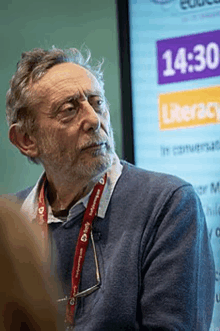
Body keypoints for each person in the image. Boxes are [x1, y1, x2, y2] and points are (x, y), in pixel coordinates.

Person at [6, 46, 215, 330]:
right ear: (26, 139)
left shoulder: (168, 203)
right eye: (69, 110)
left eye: (97, 103)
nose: (94, 120)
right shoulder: (11, 224)